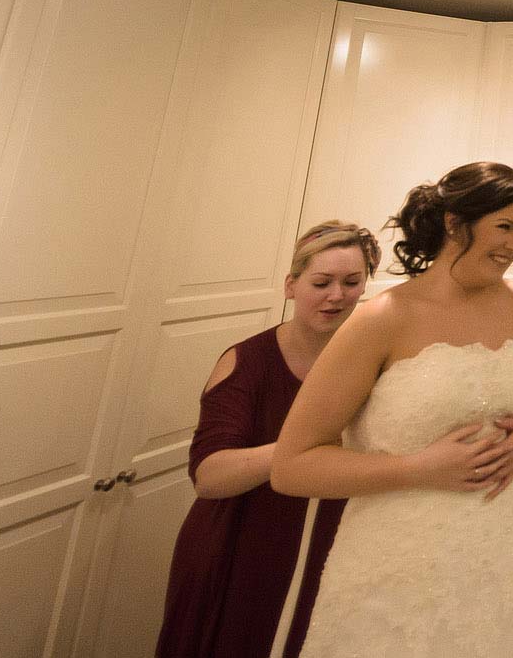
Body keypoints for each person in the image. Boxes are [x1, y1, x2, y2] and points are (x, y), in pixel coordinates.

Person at [272, 161, 513, 658]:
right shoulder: (380, 321)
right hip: (395, 560)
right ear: (453, 223)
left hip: (500, 550)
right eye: (504, 227)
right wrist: (418, 467)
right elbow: (292, 466)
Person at [156, 220, 381, 658]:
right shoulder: (247, 361)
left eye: (352, 282)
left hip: (331, 549)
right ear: (290, 286)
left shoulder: (372, 366)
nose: (337, 295)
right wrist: (304, 450)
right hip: (237, 549)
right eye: (322, 282)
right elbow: (209, 476)